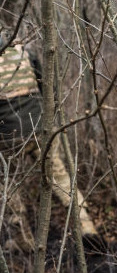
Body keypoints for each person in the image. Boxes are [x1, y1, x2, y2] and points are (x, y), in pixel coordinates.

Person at [0, 33, 101, 253]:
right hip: (40, 127)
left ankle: (22, 238)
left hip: (6, 135)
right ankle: (86, 226)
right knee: (61, 179)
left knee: (8, 185)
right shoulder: (22, 50)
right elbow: (47, 87)